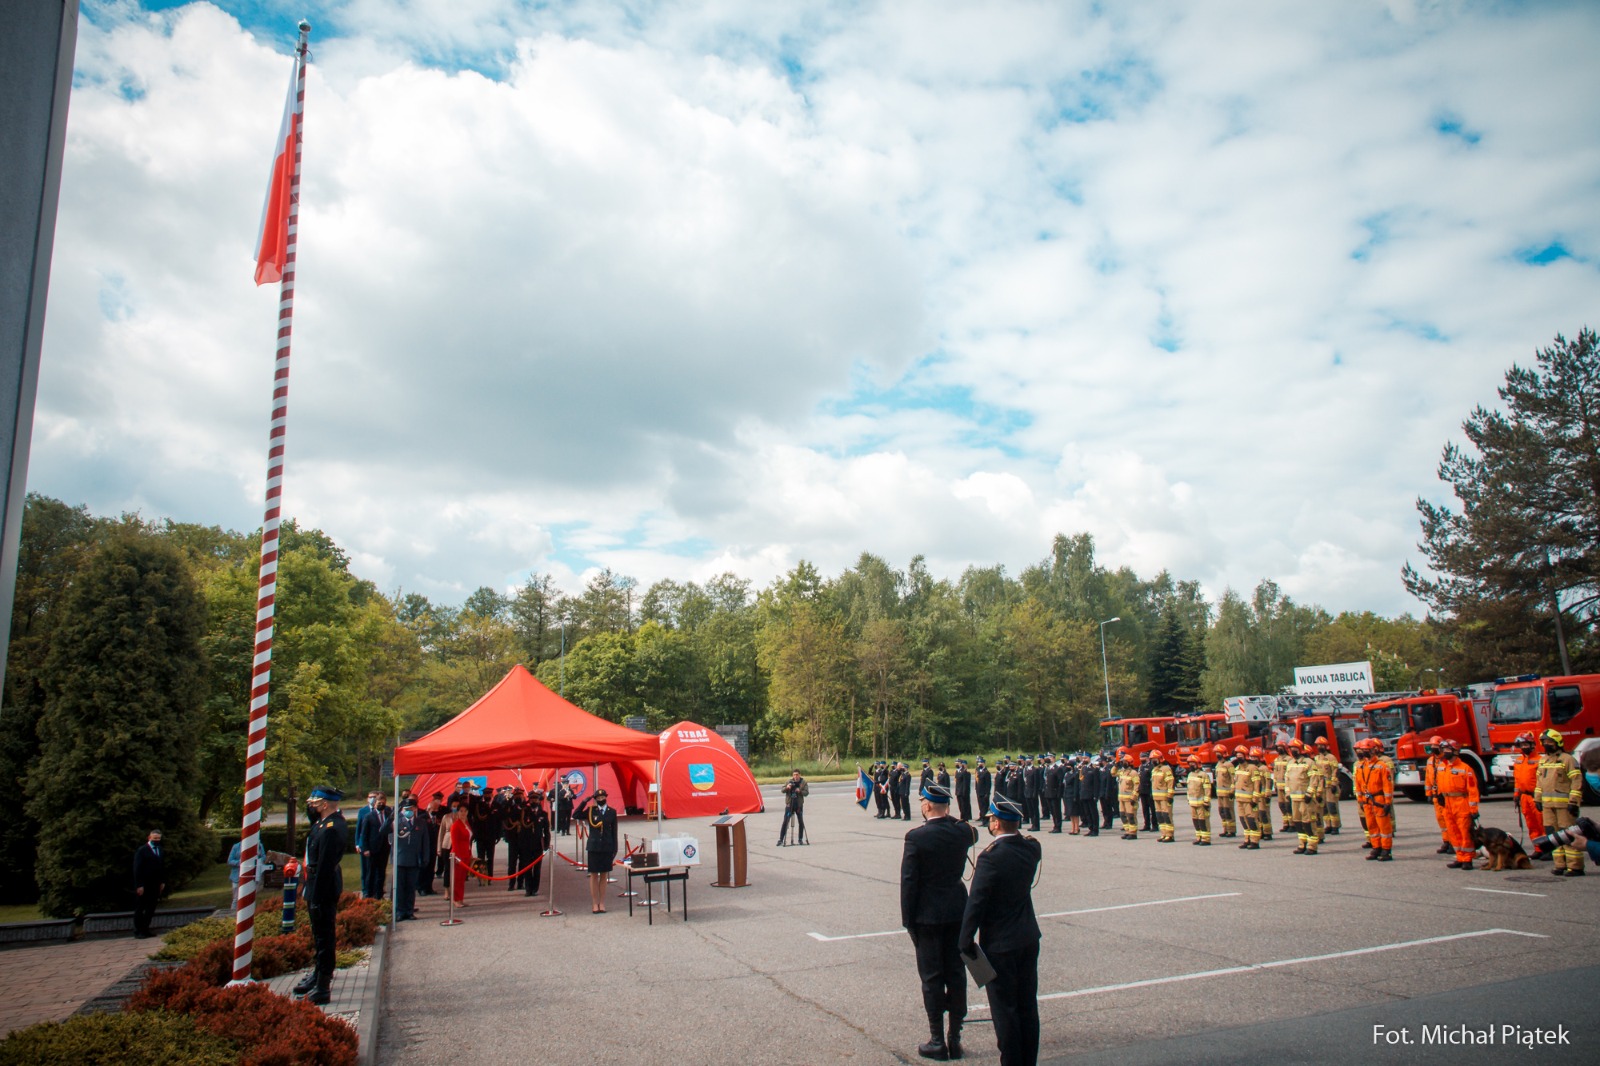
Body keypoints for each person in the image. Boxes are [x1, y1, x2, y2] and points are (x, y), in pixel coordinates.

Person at [959, 797, 1041, 1066]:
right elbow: (1030, 845)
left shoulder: (991, 858)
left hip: (1000, 943)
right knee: (1027, 1004)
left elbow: (977, 902)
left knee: (1005, 1009)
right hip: (1027, 936)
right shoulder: (1031, 849)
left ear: (995, 823)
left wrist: (965, 940)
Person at [901, 782, 979, 1060]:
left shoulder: (916, 838)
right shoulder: (962, 832)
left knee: (932, 977)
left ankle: (937, 1039)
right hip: (957, 912)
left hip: (927, 916)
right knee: (956, 974)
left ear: (926, 805)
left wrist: (908, 921)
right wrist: (947, 815)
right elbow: (972, 831)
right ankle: (954, 1038)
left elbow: (909, 882)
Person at [293, 786, 346, 1005]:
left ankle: (323, 985)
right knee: (318, 934)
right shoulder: (322, 824)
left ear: (325, 804)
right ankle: (317, 974)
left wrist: (317, 895)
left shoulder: (332, 827)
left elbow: (325, 865)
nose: (311, 806)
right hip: (314, 882)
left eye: (314, 803)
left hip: (323, 886)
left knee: (325, 936)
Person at [1535, 728, 1584, 876]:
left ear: (1558, 743)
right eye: (1544, 742)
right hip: (1548, 806)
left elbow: (1577, 781)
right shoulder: (1543, 761)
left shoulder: (1568, 760)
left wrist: (1573, 802)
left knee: (1568, 835)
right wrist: (1537, 799)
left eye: (1550, 742)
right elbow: (1539, 782)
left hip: (1565, 806)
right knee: (1553, 837)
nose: (1547, 744)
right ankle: (1560, 865)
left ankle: (1575, 867)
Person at [1436, 739, 1480, 870]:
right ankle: (1460, 857)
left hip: (1461, 804)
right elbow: (1439, 783)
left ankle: (1468, 859)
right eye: (1444, 749)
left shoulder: (1465, 768)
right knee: (1453, 832)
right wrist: (1439, 795)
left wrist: (1473, 809)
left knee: (1464, 832)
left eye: (1447, 750)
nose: (1445, 752)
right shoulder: (1442, 767)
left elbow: (1473, 790)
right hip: (1447, 804)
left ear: (1455, 751)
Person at [1354, 739, 1394, 861]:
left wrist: (1388, 802)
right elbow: (1358, 784)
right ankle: (1376, 847)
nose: (1364, 752)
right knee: (1371, 825)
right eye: (1363, 750)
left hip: (1379, 800)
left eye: (1367, 750)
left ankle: (1386, 850)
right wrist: (1360, 800)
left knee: (1383, 826)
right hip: (1367, 800)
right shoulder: (1360, 766)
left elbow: (1387, 785)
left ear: (1373, 750)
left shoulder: (1382, 766)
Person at [580, 788, 618, 912]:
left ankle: (602, 902)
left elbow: (614, 831)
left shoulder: (612, 812)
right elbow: (576, 815)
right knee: (594, 874)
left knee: (604, 875)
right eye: (598, 798)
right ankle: (594, 903)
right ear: (595, 799)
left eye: (603, 797)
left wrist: (615, 848)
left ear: (606, 798)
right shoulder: (591, 810)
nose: (601, 799)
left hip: (607, 846)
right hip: (594, 846)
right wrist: (584, 802)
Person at [1510, 733, 1545, 846]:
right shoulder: (1519, 761)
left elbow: (1544, 780)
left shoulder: (1540, 760)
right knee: (1531, 824)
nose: (1524, 747)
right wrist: (1516, 795)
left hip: (1536, 796)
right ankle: (1538, 848)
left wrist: (1540, 796)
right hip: (1524, 797)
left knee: (1542, 823)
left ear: (1532, 744)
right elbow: (1517, 780)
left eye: (1526, 744)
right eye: (1522, 745)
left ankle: (1547, 848)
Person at [394, 796, 426, 920]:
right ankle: (399, 911)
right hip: (400, 859)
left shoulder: (420, 822)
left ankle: (409, 911)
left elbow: (425, 842)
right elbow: (384, 830)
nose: (409, 811)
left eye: (411, 808)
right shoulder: (397, 821)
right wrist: (393, 815)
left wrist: (425, 857)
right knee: (400, 888)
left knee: (411, 888)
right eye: (406, 809)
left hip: (414, 859)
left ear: (415, 809)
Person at [357, 792, 392, 899]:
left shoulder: (388, 814)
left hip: (384, 848)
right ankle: (368, 893)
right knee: (371, 872)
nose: (381, 805)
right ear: (375, 804)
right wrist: (365, 848)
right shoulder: (369, 816)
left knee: (381, 872)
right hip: (372, 849)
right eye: (379, 803)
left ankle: (379, 894)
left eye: (383, 803)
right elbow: (364, 833)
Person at [132, 830, 165, 939]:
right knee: (140, 908)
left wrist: (162, 881)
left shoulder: (160, 849)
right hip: (144, 884)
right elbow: (137, 868)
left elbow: (161, 867)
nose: (157, 840)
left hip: (155, 884)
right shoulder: (142, 850)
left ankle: (146, 929)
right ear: (149, 838)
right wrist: (139, 885)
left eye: (158, 838)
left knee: (151, 908)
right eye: (155, 838)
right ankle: (138, 931)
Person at [448, 803, 473, 905]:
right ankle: (455, 899)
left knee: (462, 879)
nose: (463, 813)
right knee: (457, 879)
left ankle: (460, 899)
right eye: (461, 811)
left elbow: (468, 840)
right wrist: (457, 857)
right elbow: (454, 843)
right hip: (458, 855)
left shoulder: (466, 823)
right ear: (458, 812)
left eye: (465, 811)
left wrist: (470, 854)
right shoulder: (456, 825)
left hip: (466, 854)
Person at [1185, 755, 1213, 845]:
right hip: (1192, 803)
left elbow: (1207, 789)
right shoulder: (1190, 775)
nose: (1191, 765)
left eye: (1193, 763)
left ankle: (1206, 839)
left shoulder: (1203, 775)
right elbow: (1189, 788)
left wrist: (1206, 801)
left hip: (1201, 803)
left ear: (1197, 764)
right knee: (1196, 821)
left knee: (1203, 821)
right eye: (1190, 763)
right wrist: (1188, 799)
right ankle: (1199, 837)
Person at [1149, 751, 1176, 843]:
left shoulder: (1166, 769)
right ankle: (1163, 834)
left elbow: (1170, 783)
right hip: (1156, 798)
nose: (1153, 761)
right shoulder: (1154, 770)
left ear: (1160, 759)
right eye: (1152, 759)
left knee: (1166, 816)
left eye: (1155, 759)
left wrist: (1170, 795)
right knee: (1159, 816)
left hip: (1165, 798)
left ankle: (1170, 835)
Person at [778, 770, 809, 845]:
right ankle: (781, 839)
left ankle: (800, 839)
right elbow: (782, 790)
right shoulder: (789, 781)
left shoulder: (803, 782)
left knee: (801, 821)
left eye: (797, 775)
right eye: (794, 775)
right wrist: (787, 788)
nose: (795, 776)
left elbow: (806, 793)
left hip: (798, 805)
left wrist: (800, 791)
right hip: (790, 804)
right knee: (785, 821)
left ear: (800, 775)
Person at [1116, 752, 1141, 840]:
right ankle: (1127, 831)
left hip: (1130, 799)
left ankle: (1133, 833)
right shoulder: (1122, 772)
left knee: (1131, 816)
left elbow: (1137, 786)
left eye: (1124, 761)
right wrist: (1116, 765)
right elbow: (1113, 773)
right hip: (1121, 799)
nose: (1123, 763)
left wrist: (1134, 797)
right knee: (1123, 815)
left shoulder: (1133, 773)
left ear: (1129, 762)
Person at [1215, 746, 1237, 838]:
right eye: (1216, 753)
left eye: (1218, 752)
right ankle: (1225, 829)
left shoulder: (1229, 765)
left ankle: (1231, 830)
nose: (1217, 754)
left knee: (1229, 811)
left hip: (1227, 793)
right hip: (1220, 793)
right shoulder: (1218, 765)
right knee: (1222, 811)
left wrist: (1232, 790)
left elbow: (1233, 778)